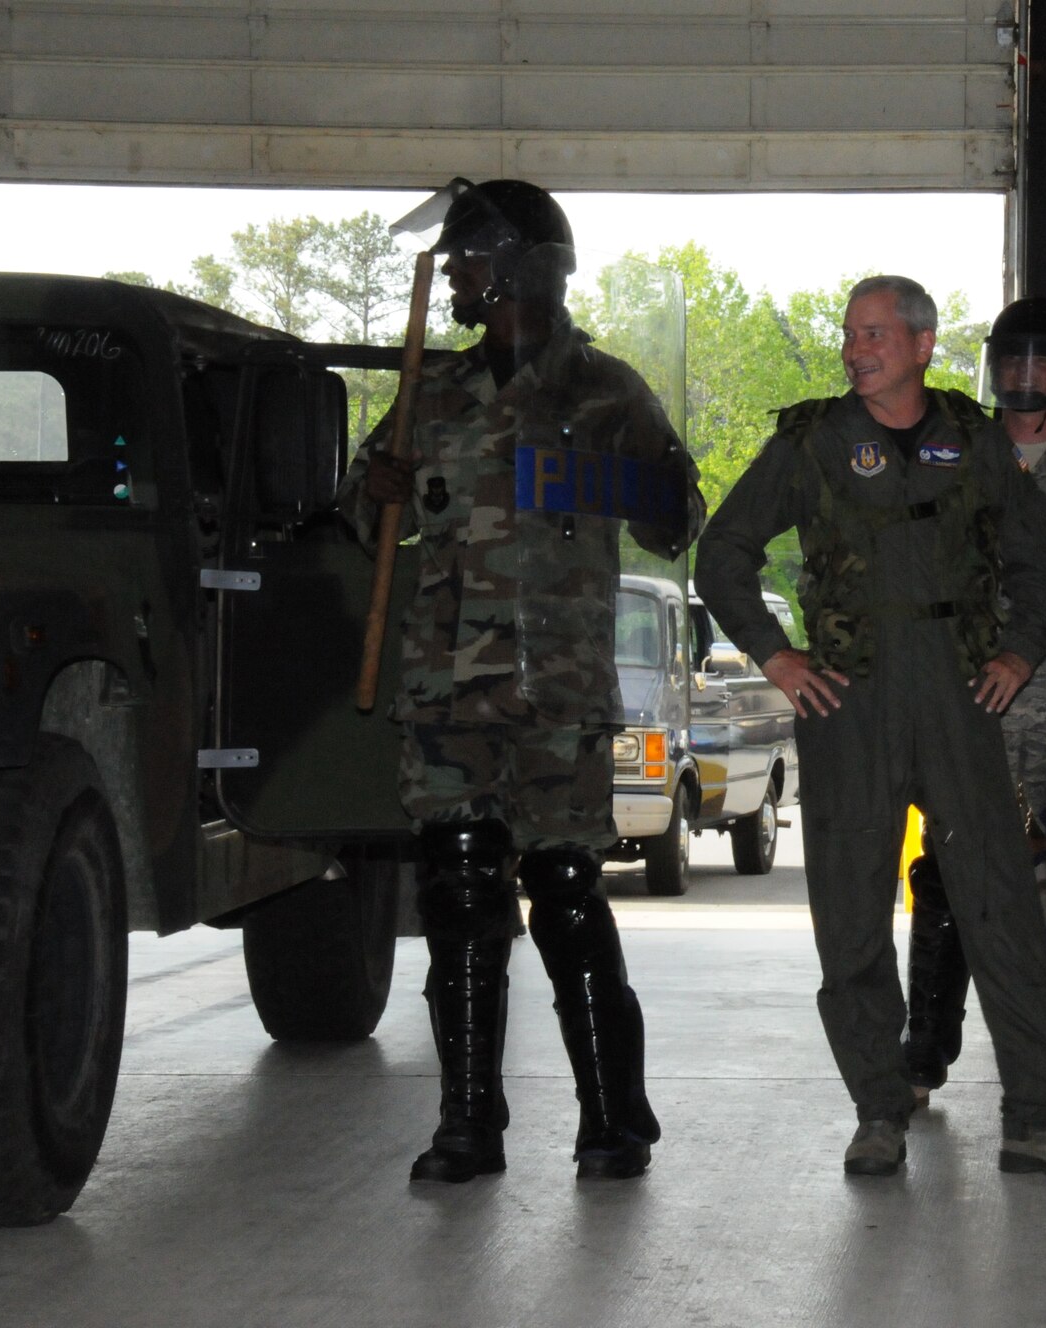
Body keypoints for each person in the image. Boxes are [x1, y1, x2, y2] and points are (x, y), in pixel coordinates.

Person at [695, 275, 1046, 1179]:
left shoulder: (972, 440)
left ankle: (1036, 1117)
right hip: (852, 701)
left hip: (962, 701)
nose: (857, 349)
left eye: (877, 334)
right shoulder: (813, 443)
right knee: (850, 913)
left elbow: (1042, 561)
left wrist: (1018, 654)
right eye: (850, 334)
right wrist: (777, 656)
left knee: (999, 901)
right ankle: (878, 1112)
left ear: (923, 345)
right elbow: (722, 554)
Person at [339, 178, 703, 1184]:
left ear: (517, 266)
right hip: (447, 686)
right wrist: (369, 490)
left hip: (560, 686)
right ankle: (467, 1122)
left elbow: (679, 517)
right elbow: (361, 520)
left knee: (566, 888)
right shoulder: (432, 393)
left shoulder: (606, 392)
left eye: (465, 255)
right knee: (457, 895)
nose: (452, 272)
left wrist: (627, 484)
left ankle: (612, 1118)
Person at [902, 296, 1046, 1128]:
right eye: (1011, 363)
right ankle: (920, 1060)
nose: (1024, 378)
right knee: (950, 877)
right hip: (975, 710)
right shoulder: (953, 464)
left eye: (1041, 364)